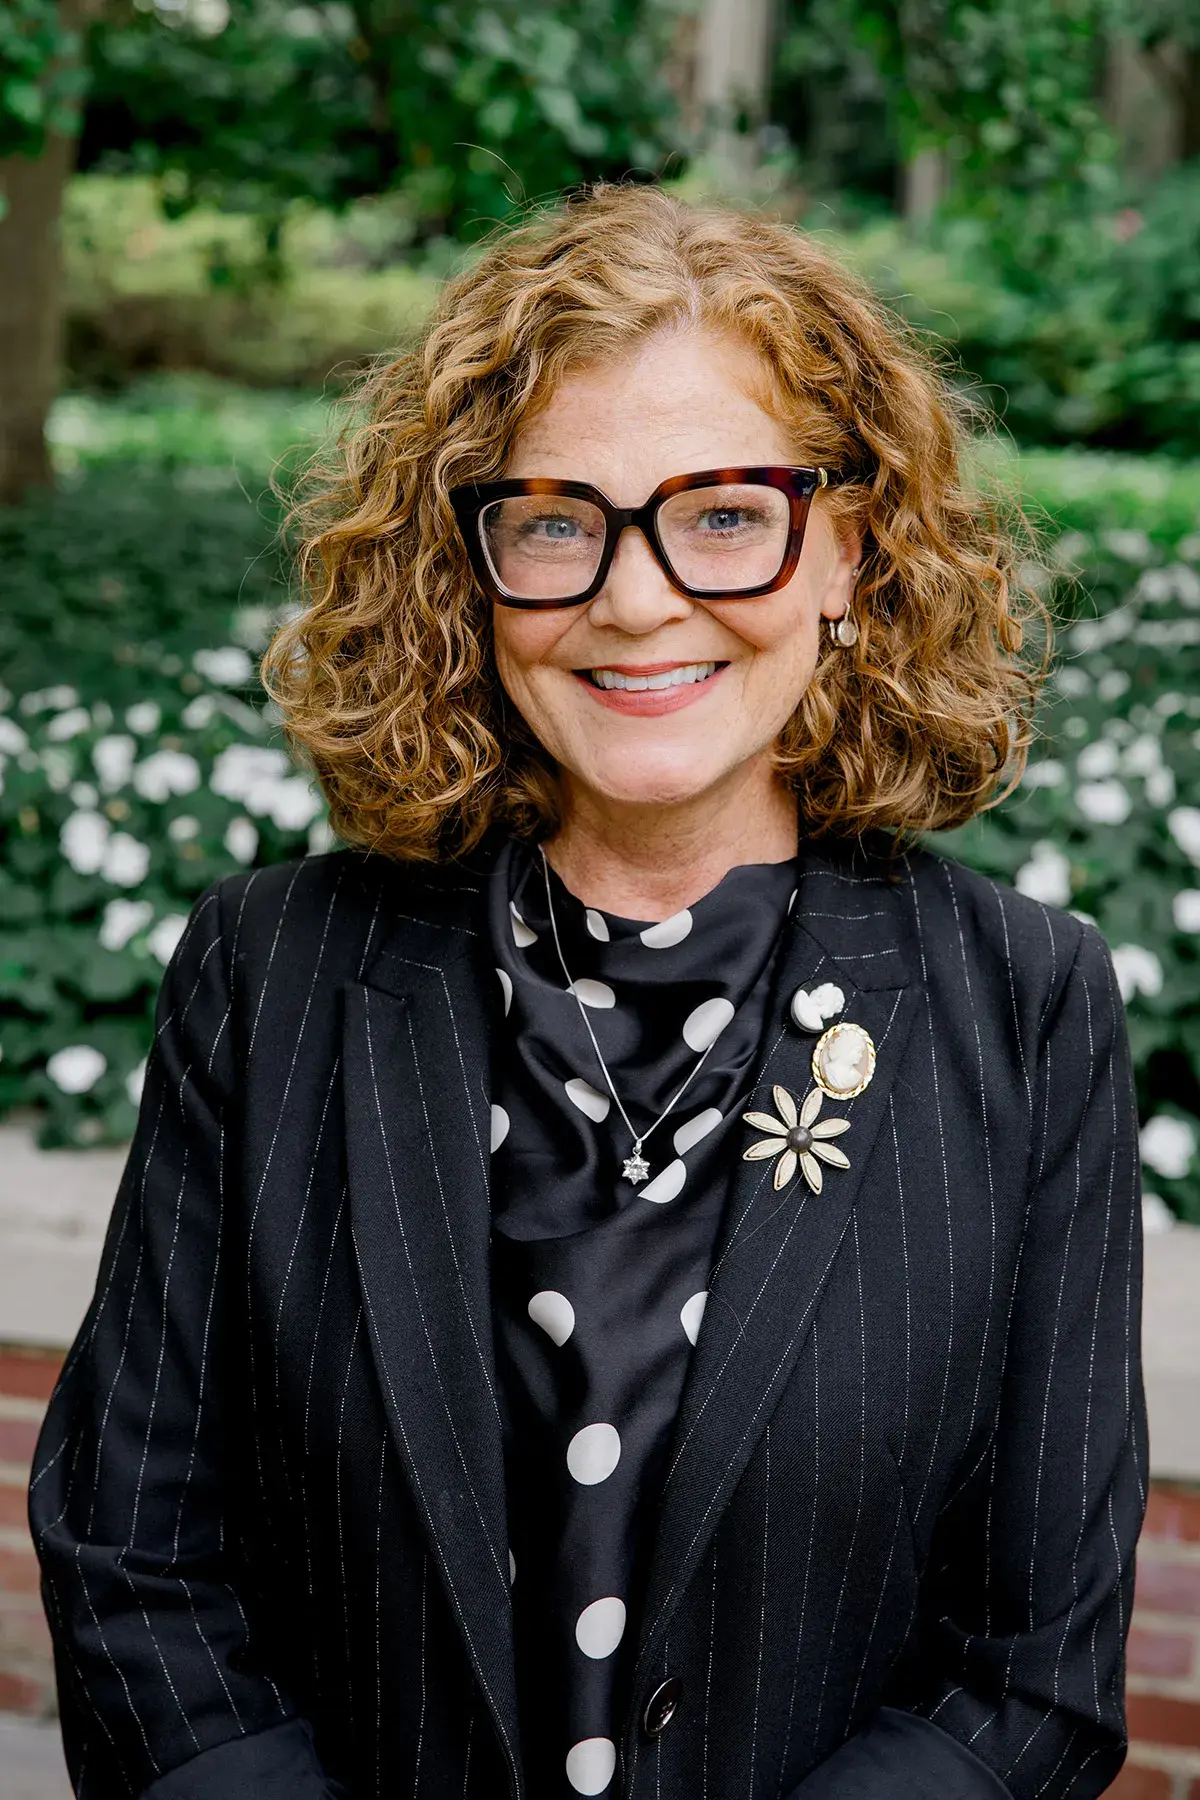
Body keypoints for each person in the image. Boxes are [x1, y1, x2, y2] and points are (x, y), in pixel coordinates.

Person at [30, 183, 1146, 1800]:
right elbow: (132, 1561)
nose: (635, 597)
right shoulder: (273, 972)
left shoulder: (1025, 1006)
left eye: (723, 514)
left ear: (845, 546)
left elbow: (1033, 1673)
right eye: (556, 519)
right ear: (472, 572)